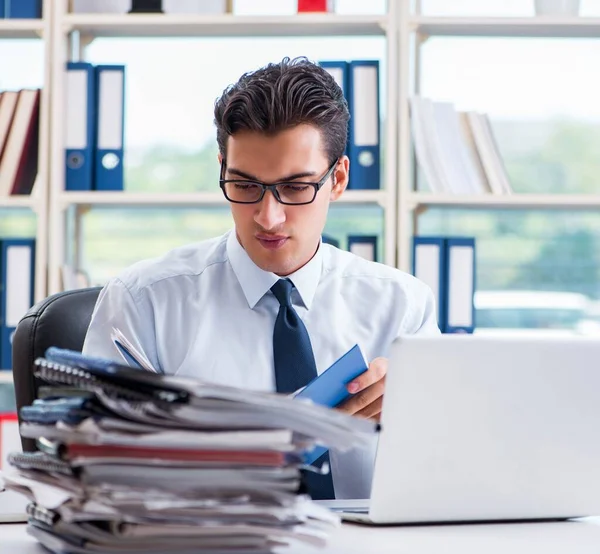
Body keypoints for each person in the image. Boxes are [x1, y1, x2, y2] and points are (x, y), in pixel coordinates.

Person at [82, 56, 440, 500]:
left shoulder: (403, 308)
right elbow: (97, 471)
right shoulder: (142, 303)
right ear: (222, 171)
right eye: (246, 186)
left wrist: (419, 411)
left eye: (295, 188)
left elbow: (448, 469)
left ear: (339, 178)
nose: (268, 217)